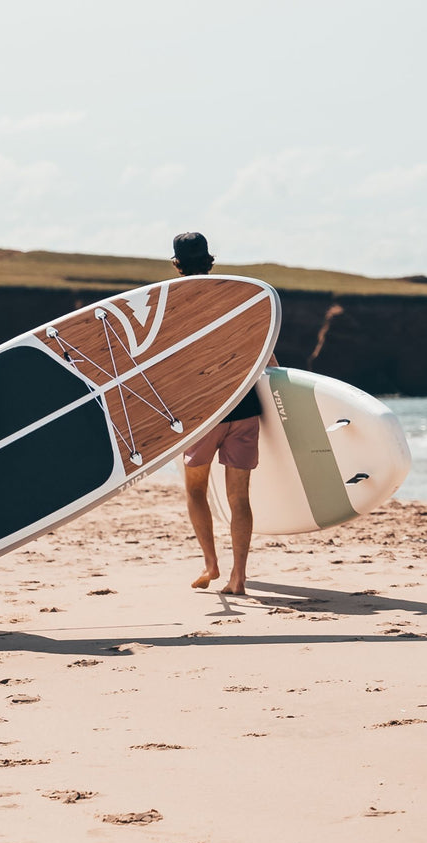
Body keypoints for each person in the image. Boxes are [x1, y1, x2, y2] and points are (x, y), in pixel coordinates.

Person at [171, 231, 275, 596]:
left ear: (176, 265)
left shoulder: (174, 307)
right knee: (239, 499)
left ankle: (211, 564)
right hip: (245, 408)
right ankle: (239, 577)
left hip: (204, 412)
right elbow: (266, 356)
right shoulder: (238, 300)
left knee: (195, 491)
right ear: (211, 261)